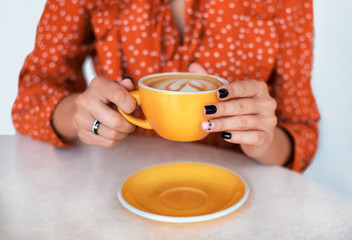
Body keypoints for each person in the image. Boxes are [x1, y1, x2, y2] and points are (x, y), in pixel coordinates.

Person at [12, 0, 320, 172]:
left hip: (237, 192)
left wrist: (264, 142)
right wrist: (79, 115)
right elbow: (32, 97)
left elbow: (302, 132)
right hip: (121, 183)